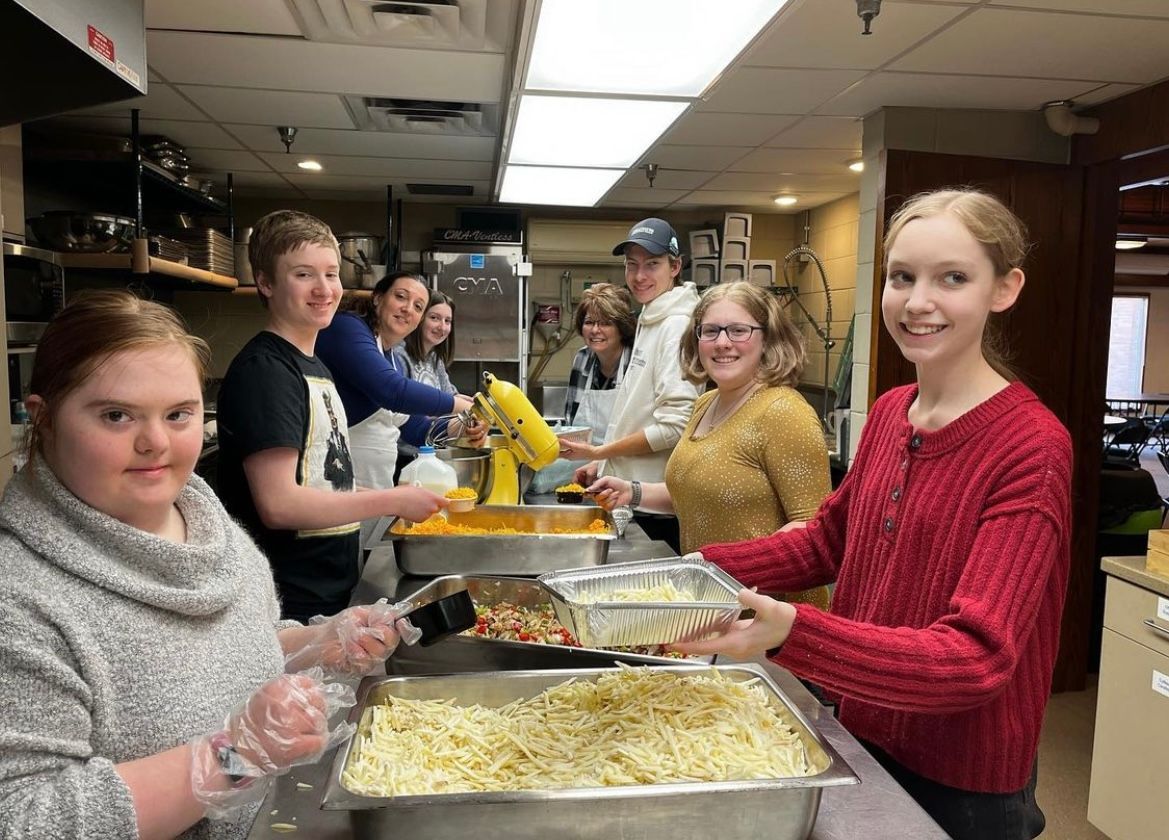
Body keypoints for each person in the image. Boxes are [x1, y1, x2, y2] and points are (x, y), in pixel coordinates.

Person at [675, 189, 1072, 840]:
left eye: (952, 278)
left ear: (1004, 288)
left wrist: (791, 630)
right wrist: (692, 572)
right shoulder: (891, 411)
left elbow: (975, 658)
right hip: (860, 731)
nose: (917, 302)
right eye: (900, 278)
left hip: (961, 781)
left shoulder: (1030, 446)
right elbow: (825, 542)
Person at [0, 290, 419, 840]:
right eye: (116, 415)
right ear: (45, 420)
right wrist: (232, 758)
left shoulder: (203, 517)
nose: (154, 442)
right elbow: (24, 818)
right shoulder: (20, 598)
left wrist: (316, 644)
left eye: (179, 414)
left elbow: (237, 651)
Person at [217, 211, 447, 622]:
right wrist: (393, 499)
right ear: (266, 282)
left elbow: (324, 482)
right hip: (289, 598)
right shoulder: (267, 371)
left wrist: (392, 499)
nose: (324, 289)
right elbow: (280, 504)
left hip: (330, 584)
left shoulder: (314, 367)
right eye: (304, 275)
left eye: (331, 273)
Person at [588, 282, 831, 608]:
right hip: (710, 606)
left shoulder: (784, 411)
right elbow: (701, 495)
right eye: (711, 331)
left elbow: (814, 532)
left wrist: (727, 564)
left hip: (767, 616)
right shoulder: (706, 404)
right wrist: (632, 491)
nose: (722, 343)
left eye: (739, 330)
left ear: (767, 339)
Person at [563, 218, 701, 550]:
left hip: (655, 504)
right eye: (632, 265)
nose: (639, 276)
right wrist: (604, 463)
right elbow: (641, 411)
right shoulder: (652, 317)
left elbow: (676, 425)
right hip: (629, 495)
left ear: (675, 266)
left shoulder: (676, 325)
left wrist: (601, 449)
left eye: (652, 265)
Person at [315, 272, 480, 544]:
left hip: (373, 493)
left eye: (418, 306)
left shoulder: (388, 355)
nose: (407, 309)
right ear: (378, 298)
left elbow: (417, 429)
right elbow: (389, 390)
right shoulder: (348, 328)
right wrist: (456, 403)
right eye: (401, 297)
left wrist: (464, 424)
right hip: (336, 490)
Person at [392, 288, 458, 396]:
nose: (442, 327)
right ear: (419, 318)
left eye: (447, 321)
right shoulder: (399, 355)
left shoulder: (435, 358)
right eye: (434, 318)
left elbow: (450, 396)